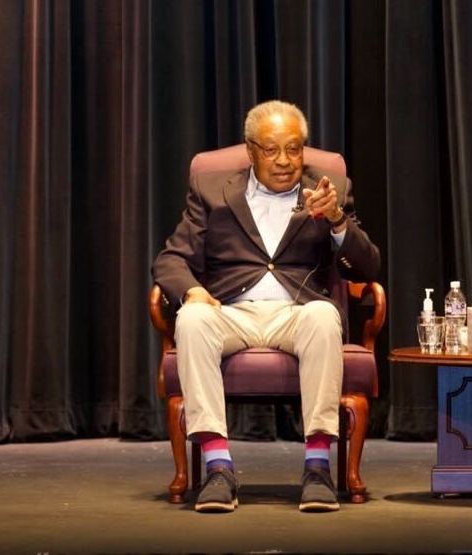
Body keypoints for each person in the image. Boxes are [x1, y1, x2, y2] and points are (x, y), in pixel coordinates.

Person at [152, 100, 381, 513]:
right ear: (251, 150)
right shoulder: (212, 191)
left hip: (296, 313)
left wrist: (337, 222)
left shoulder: (329, 188)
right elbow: (170, 259)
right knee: (192, 319)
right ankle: (218, 466)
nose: (283, 161)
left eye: (293, 149)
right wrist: (190, 291)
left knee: (324, 315)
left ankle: (317, 468)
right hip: (232, 312)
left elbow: (367, 266)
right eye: (272, 150)